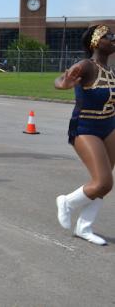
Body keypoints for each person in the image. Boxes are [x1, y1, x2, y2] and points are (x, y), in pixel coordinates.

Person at [55, 24, 115, 246]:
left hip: (109, 126)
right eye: (109, 36)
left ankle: (84, 227)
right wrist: (64, 83)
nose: (113, 39)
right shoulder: (86, 66)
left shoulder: (110, 70)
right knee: (104, 183)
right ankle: (67, 202)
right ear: (96, 42)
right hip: (85, 127)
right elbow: (60, 80)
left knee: (104, 180)